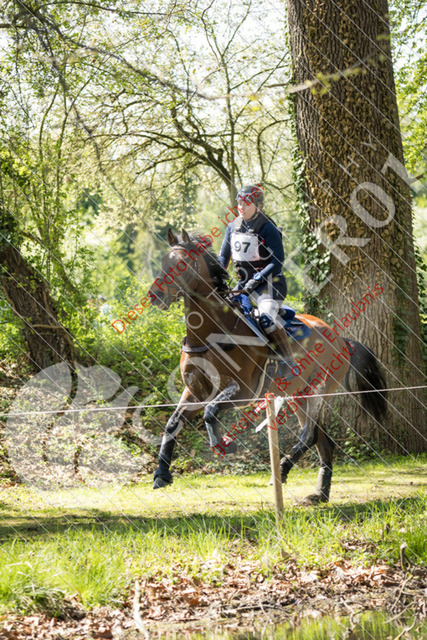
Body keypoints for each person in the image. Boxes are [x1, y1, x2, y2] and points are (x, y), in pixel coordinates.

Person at [218, 184, 292, 361]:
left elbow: (277, 262)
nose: (241, 207)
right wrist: (215, 276)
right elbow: (223, 258)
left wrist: (257, 279)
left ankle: (288, 360)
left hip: (270, 285)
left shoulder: (268, 228)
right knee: (221, 315)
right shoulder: (232, 227)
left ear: (258, 206)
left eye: (246, 203)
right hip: (243, 285)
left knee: (266, 319)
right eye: (239, 203)